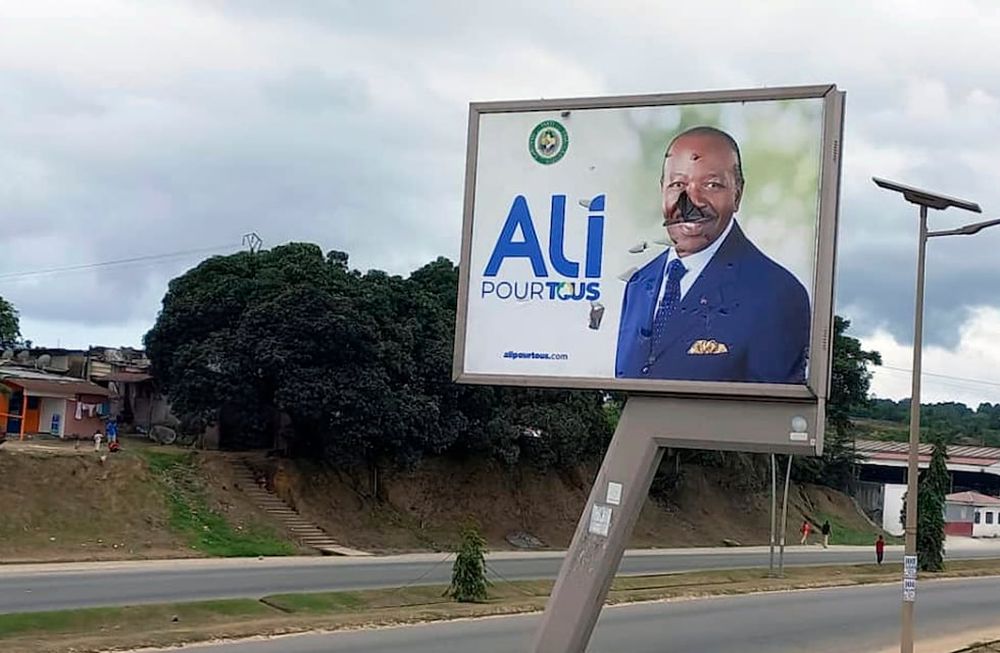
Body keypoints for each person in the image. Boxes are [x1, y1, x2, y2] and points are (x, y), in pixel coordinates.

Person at [615, 126, 810, 383]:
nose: (691, 200)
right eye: (678, 184)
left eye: (711, 184)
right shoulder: (639, 285)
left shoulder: (776, 294)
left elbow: (770, 414)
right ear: (662, 189)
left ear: (737, 194)